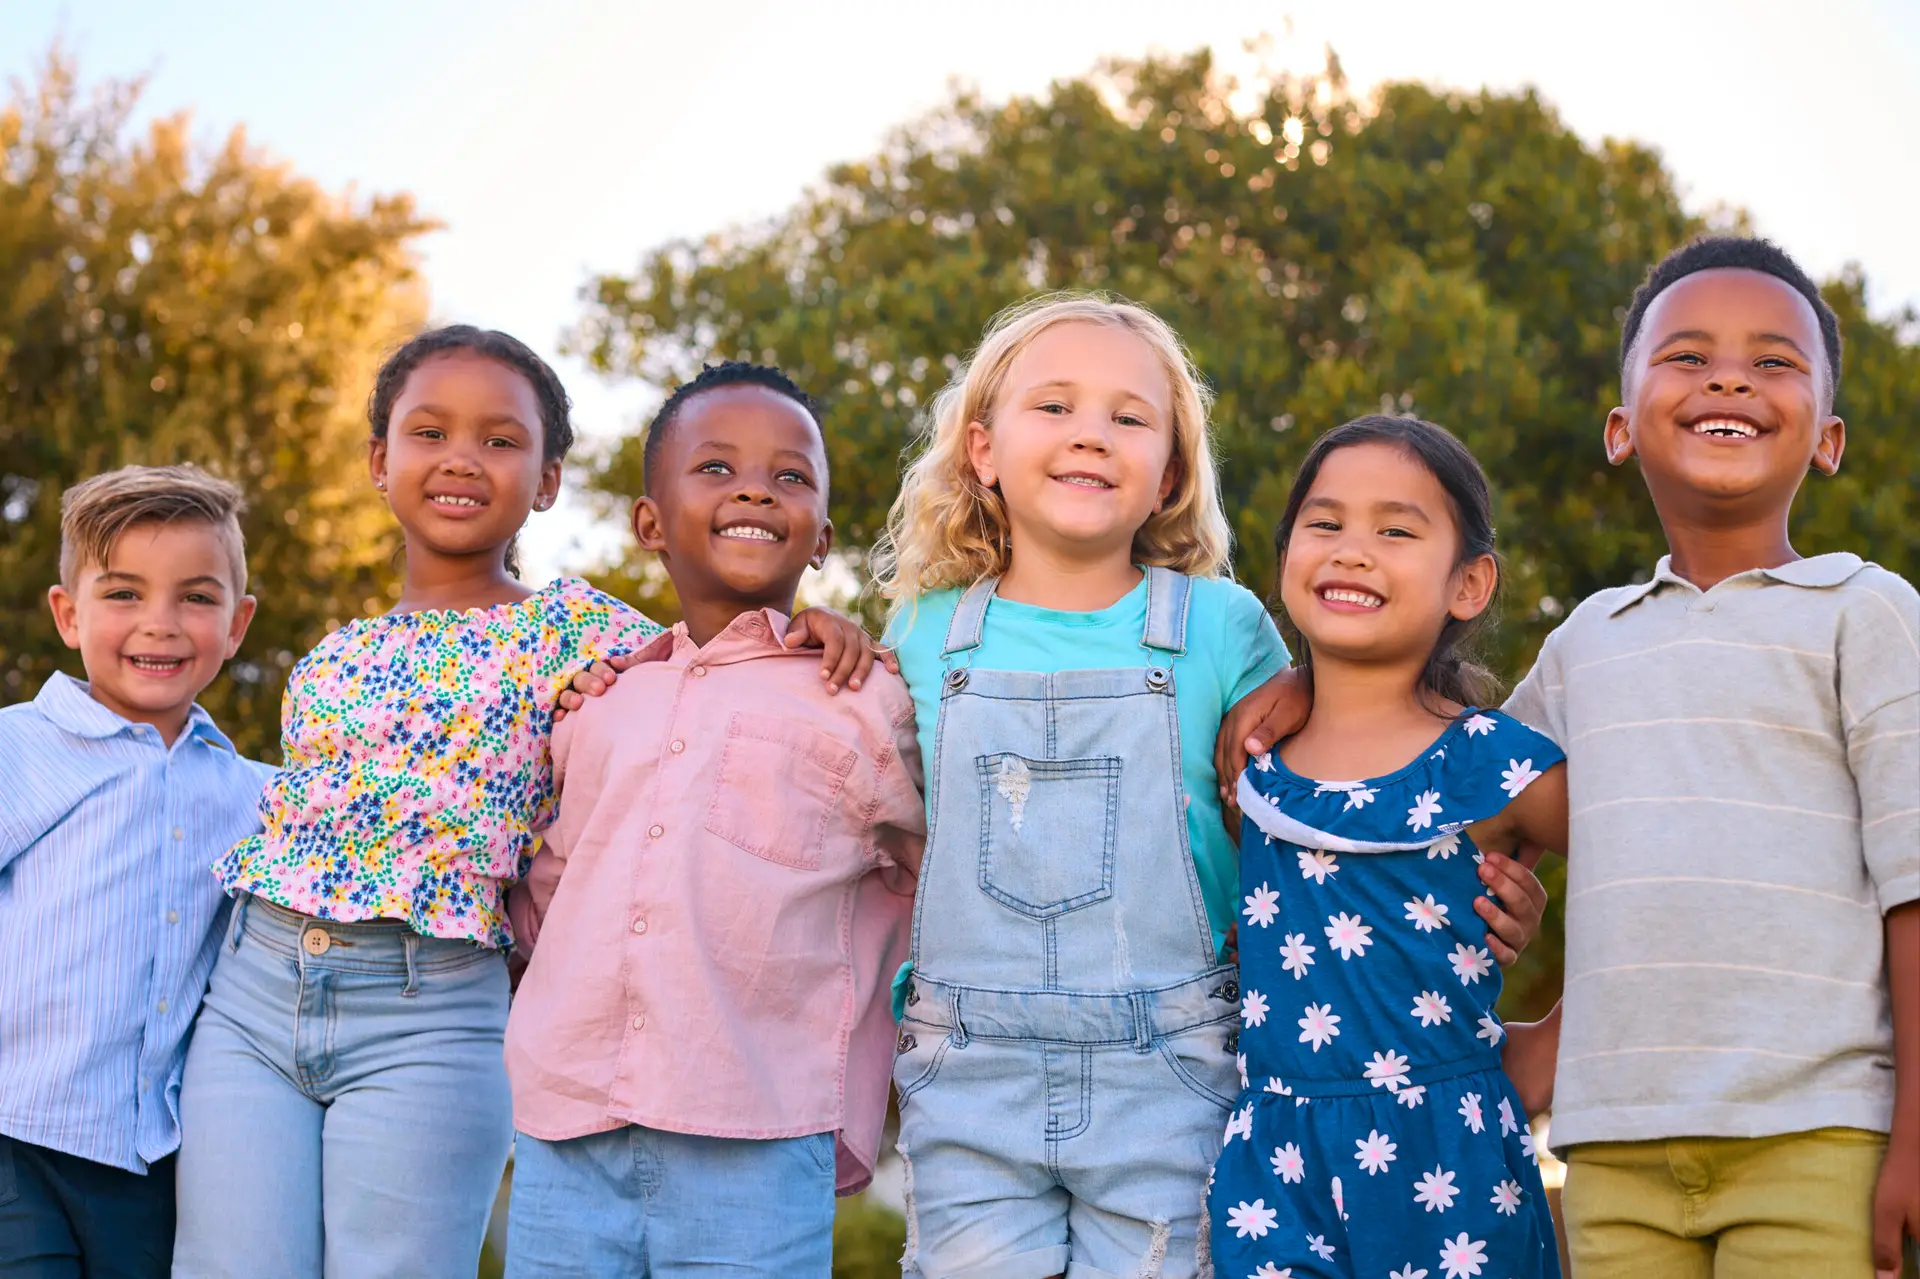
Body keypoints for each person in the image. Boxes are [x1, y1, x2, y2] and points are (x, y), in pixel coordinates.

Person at [1220, 237, 1920, 1278]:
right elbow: (1445, 771)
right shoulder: (1588, 641)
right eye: (1687, 356)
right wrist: (1309, 683)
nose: (1730, 376)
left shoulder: (1866, 613)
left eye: (1774, 361)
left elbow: (1912, 885)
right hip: (1613, 1145)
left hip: (1813, 1127)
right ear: (1620, 426)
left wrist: (1912, 1134)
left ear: (1828, 437)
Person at [169, 328, 880, 1278]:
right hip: (253, 984)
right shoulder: (329, 656)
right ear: (381, 463)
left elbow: (719, 660)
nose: (462, 457)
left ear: (547, 481)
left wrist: (816, 626)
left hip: (430, 994)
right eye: (430, 433)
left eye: (501, 440)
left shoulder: (583, 634)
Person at [868, 293, 1547, 1279]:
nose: (1091, 435)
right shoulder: (925, 635)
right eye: (1054, 408)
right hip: (970, 1075)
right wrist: (823, 644)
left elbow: (1343, 778)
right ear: (982, 450)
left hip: (1174, 1071)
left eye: (1129, 418)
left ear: (1170, 475)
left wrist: (1471, 883)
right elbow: (878, 828)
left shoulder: (1223, 628)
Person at [501, 361, 925, 1276]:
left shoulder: (864, 696)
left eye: (790, 476)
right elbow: (549, 895)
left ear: (822, 538)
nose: (754, 491)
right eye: (717, 468)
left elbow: (936, 870)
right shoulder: (598, 702)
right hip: (570, 1125)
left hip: (759, 1129)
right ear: (650, 522)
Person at [1206, 416, 1568, 1279]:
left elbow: (1647, 879)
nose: (1353, 549)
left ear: (1470, 583)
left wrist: (1557, 1039)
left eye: (1396, 530)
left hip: (1454, 1161)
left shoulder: (1492, 761)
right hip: (1274, 1165)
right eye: (1324, 524)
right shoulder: (1248, 758)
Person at [0, 465, 268, 1278]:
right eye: (123, 594)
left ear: (237, 623)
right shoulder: (19, 747)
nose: (161, 623)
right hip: (17, 1132)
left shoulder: (259, 795)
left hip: (158, 1157)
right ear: (69, 614)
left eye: (196, 596)